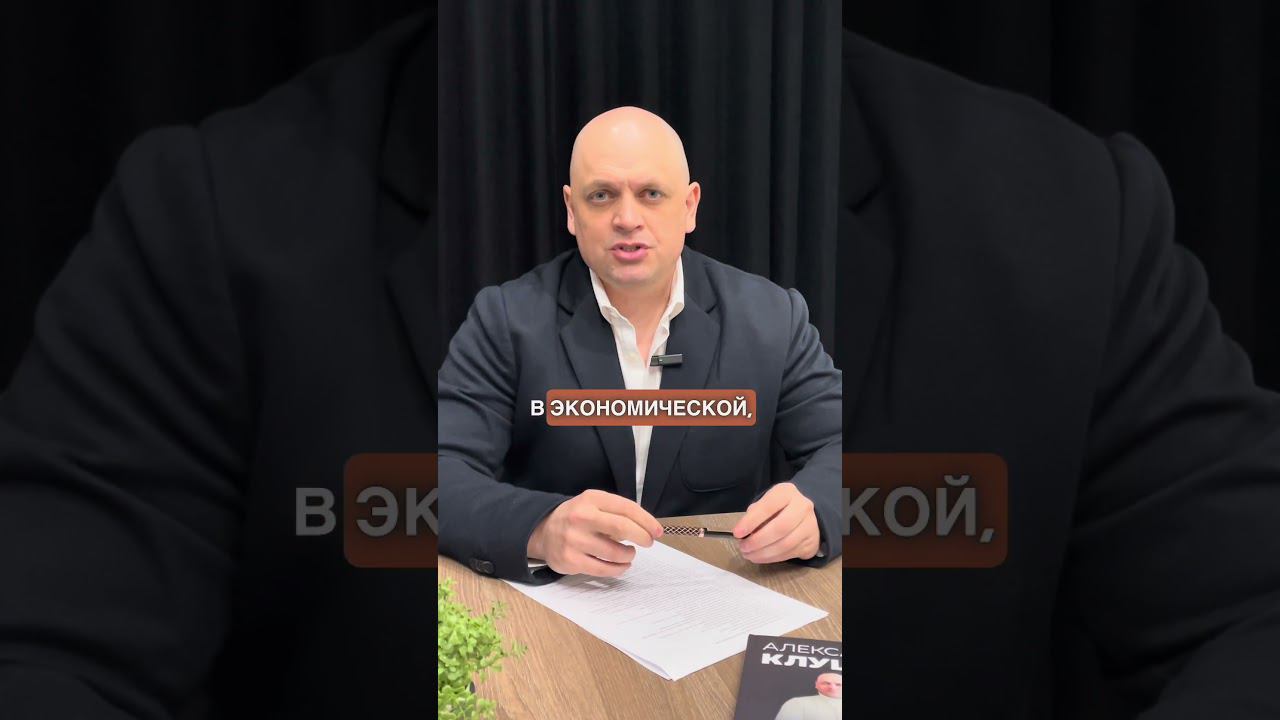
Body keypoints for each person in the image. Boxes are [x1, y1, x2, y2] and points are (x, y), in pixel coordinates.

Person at [436, 106, 844, 583]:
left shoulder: (772, 317)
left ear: (689, 206)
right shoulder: (505, 320)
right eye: (601, 195)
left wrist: (817, 509)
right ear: (571, 210)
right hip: (560, 597)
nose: (627, 219)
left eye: (651, 194)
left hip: (715, 590)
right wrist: (540, 528)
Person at [774, 672, 842, 720]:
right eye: (826, 683)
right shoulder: (797, 703)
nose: (832, 687)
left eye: (838, 684)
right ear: (816, 685)